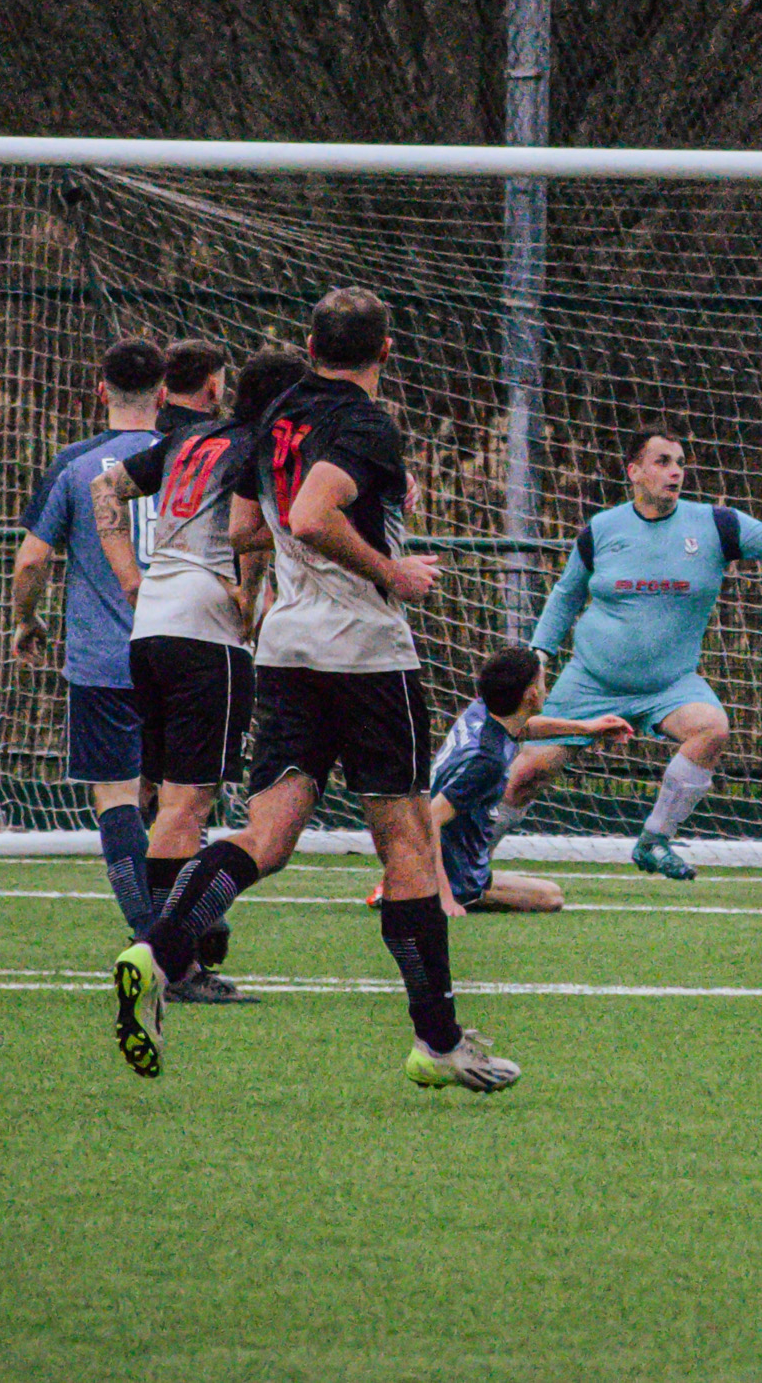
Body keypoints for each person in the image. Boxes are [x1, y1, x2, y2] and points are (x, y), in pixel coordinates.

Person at [112, 287, 520, 1093]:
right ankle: (437, 1040)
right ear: (387, 351)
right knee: (408, 843)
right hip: (365, 655)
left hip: (287, 649)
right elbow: (308, 513)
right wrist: (391, 569)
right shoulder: (364, 423)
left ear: (309, 344)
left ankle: (156, 951)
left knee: (266, 835)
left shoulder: (275, 416)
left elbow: (247, 527)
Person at [503, 422, 762, 880]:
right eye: (662, 462)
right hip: (590, 682)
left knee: (711, 728)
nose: (675, 472)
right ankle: (465, 863)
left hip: (670, 686)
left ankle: (654, 840)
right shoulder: (601, 529)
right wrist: (539, 656)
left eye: (680, 463)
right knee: (525, 776)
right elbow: (566, 594)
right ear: (634, 471)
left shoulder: (716, 524)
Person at [91, 345, 308, 1002]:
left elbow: (106, 486)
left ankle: (172, 948)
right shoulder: (260, 445)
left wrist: (131, 576)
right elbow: (249, 530)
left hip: (152, 625)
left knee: (167, 800)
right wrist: (251, 595)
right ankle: (171, 963)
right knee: (188, 806)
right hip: (203, 633)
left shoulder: (191, 440)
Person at [9, 338, 167, 942]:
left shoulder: (76, 464)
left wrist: (27, 620)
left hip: (106, 663)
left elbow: (32, 560)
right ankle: (192, 924)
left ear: (101, 391)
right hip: (183, 654)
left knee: (117, 797)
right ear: (162, 395)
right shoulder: (188, 457)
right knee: (184, 797)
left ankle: (148, 933)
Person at [417, 646, 631, 914]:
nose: (545, 689)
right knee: (550, 897)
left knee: (547, 892)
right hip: (457, 876)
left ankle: (416, 880)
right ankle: (431, 890)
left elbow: (524, 728)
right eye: (542, 682)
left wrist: (588, 727)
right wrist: (445, 899)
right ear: (531, 695)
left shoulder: (482, 711)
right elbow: (430, 819)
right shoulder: (488, 762)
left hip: (441, 861)